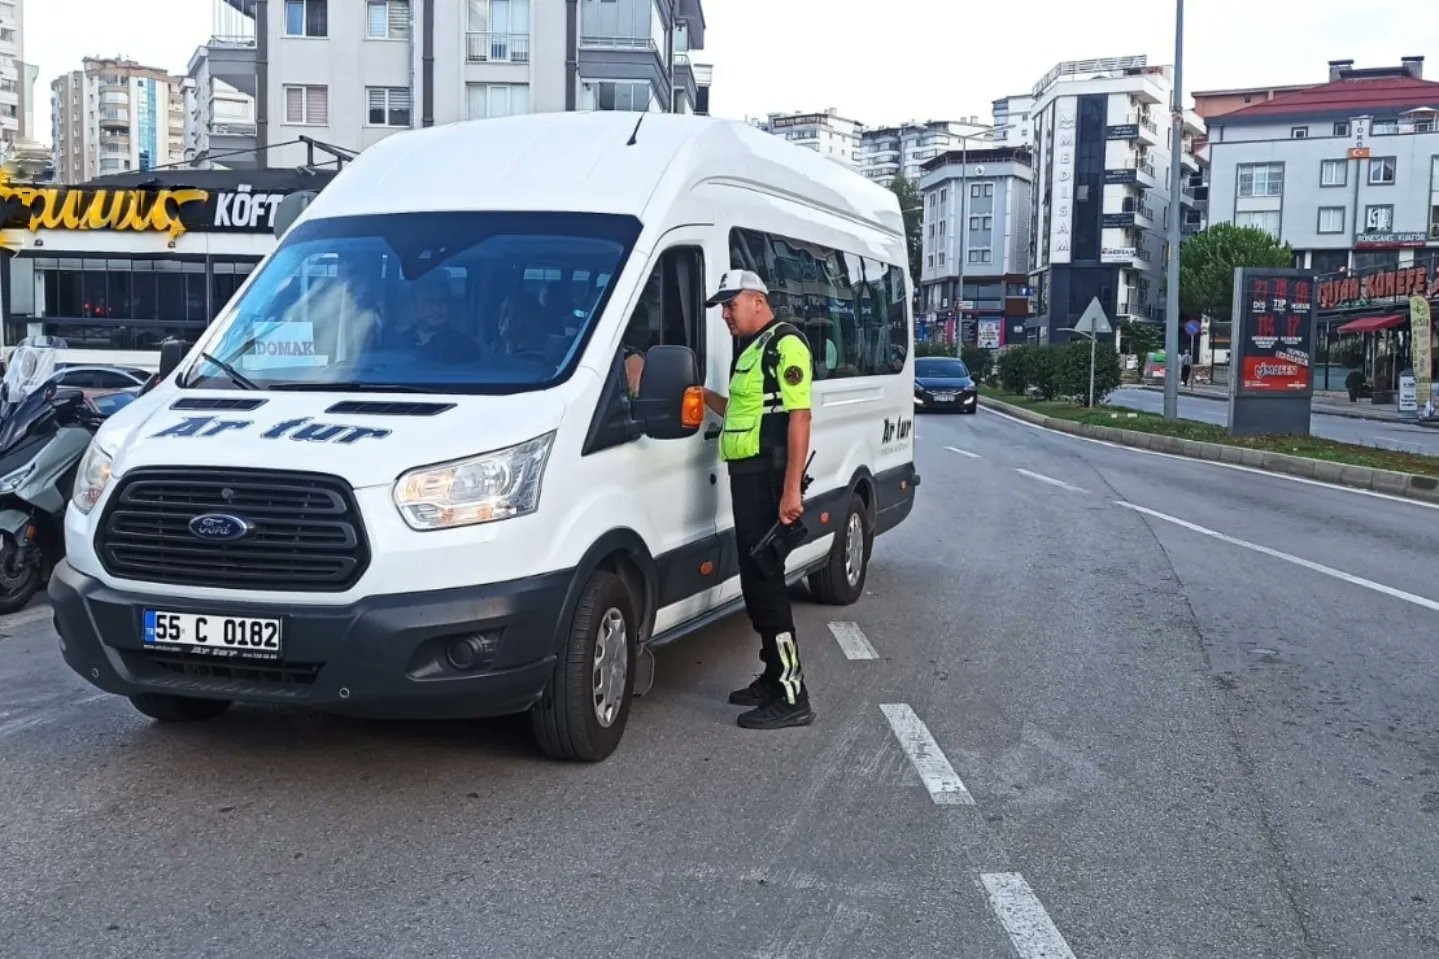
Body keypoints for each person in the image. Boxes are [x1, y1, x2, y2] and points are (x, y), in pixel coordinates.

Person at [701, 269, 816, 730]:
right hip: (747, 478)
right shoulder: (751, 349)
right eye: (723, 306)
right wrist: (705, 396)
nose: (726, 314)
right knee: (754, 582)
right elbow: (743, 415)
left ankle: (792, 696)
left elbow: (799, 417)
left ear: (758, 301)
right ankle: (772, 677)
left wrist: (790, 490)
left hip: (769, 481)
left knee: (767, 585)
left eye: (731, 304)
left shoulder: (785, 345)